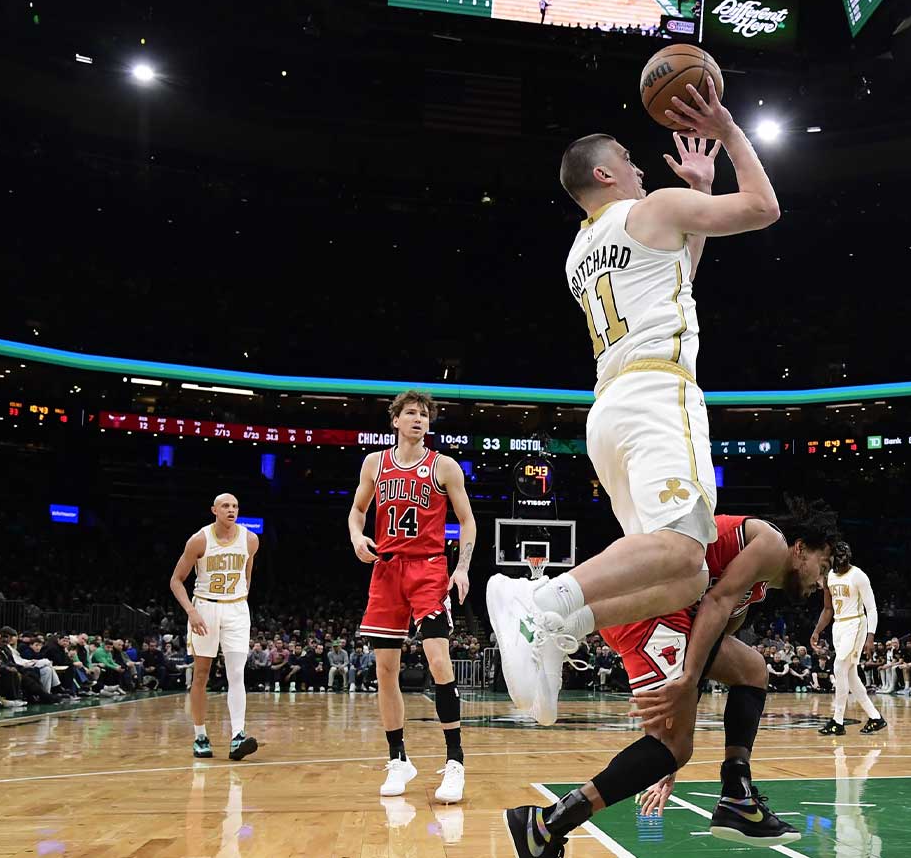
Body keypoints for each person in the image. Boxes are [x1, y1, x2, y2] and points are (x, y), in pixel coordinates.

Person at [487, 76, 781, 726]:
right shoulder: (652, 210)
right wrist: (728, 130)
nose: (642, 165)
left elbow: (677, 271)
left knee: (683, 578)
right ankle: (540, 602)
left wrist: (698, 191)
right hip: (657, 393)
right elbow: (764, 208)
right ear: (603, 171)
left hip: (610, 410)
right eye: (628, 156)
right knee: (680, 550)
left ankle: (562, 623)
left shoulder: (580, 252)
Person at [503, 503, 839, 857]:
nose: (822, 582)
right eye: (824, 566)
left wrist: (668, 760)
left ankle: (737, 794)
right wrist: (686, 690)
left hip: (660, 618)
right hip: (647, 612)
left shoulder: (754, 588)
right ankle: (545, 825)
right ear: (800, 549)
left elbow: (708, 642)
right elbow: (713, 603)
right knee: (672, 746)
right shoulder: (771, 543)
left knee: (751, 670)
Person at [346, 390, 479, 802]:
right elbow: (357, 511)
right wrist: (356, 536)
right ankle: (398, 758)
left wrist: (461, 568)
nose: (418, 419)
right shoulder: (375, 464)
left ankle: (454, 762)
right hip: (386, 570)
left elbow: (467, 520)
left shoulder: (444, 466)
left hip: (428, 569)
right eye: (411, 413)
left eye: (424, 414)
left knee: (439, 660)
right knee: (385, 669)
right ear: (396, 421)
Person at [169, 493, 260, 760]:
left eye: (235, 506)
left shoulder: (250, 540)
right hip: (205, 607)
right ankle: (200, 735)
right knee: (201, 674)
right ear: (214, 510)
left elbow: (247, 576)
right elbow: (176, 580)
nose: (231, 510)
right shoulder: (199, 540)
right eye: (225, 506)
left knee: (236, 673)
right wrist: (192, 611)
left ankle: (238, 736)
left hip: (236, 608)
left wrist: (239, 604)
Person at [811, 540, 886, 736]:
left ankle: (837, 721)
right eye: (839, 556)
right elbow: (828, 609)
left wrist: (871, 636)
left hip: (856, 624)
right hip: (839, 625)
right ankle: (875, 717)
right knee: (850, 675)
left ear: (850, 556)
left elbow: (871, 608)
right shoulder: (829, 578)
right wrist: (817, 630)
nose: (842, 560)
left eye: (846, 556)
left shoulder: (858, 576)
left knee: (838, 667)